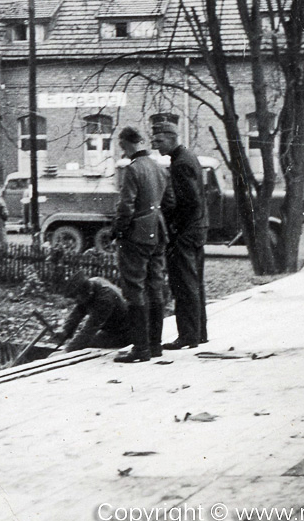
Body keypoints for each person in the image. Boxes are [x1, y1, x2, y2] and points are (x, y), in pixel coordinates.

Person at [111, 126, 172, 363]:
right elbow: (169, 201)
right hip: (157, 232)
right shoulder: (158, 167)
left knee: (134, 288)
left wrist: (118, 231)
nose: (122, 151)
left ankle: (141, 348)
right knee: (155, 286)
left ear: (128, 143)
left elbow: (126, 207)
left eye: (123, 146)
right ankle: (155, 345)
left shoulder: (133, 170)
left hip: (136, 235)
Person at [151, 121, 209, 349]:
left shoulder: (180, 163)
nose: (156, 145)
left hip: (187, 231)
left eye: (160, 140)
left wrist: (174, 226)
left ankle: (187, 336)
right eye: (154, 141)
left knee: (184, 284)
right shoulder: (188, 157)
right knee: (196, 283)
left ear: (172, 138)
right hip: (198, 229)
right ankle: (198, 333)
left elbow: (190, 201)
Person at [55, 272, 130, 352]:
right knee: (81, 342)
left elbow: (90, 328)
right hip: (111, 330)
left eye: (77, 298)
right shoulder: (91, 284)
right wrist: (65, 330)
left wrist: (67, 350)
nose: (76, 301)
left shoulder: (105, 299)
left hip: (124, 333)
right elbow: (79, 310)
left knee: (86, 345)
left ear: (87, 293)